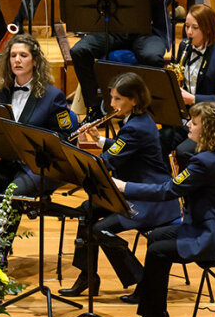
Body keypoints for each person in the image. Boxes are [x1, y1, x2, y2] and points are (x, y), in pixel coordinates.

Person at [114, 102, 215, 317]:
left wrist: (125, 186)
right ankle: (155, 313)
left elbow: (167, 191)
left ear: (208, 129)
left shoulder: (205, 161)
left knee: (159, 251)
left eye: (195, 122)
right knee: (156, 238)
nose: (189, 125)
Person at [65, 74, 181, 299]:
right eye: (112, 98)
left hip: (149, 198)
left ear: (134, 100)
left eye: (118, 99)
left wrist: (75, 163)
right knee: (85, 211)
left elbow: (108, 161)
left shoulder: (136, 127)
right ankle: (87, 276)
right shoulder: (136, 121)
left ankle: (144, 283)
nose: (112, 104)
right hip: (134, 190)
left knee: (101, 229)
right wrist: (98, 140)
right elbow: (123, 147)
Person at [0, 34, 77, 193]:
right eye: (13, 55)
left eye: (23, 55)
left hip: (33, 167)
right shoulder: (1, 92)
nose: (17, 60)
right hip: (0, 163)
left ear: (35, 61)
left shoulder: (53, 96)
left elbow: (64, 137)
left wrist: (32, 152)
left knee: (8, 202)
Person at [172, 3, 215, 160]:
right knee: (160, 139)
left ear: (208, 29)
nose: (189, 32)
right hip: (190, 120)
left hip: (214, 125)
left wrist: (193, 99)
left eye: (195, 28)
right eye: (187, 26)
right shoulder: (184, 47)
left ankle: (188, 183)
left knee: (183, 151)